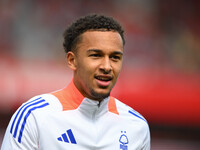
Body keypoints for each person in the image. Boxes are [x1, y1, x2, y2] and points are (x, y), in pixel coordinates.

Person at [1, 14, 150, 150]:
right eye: (96, 55)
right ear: (72, 60)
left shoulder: (137, 127)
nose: (107, 66)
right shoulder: (34, 117)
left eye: (115, 57)